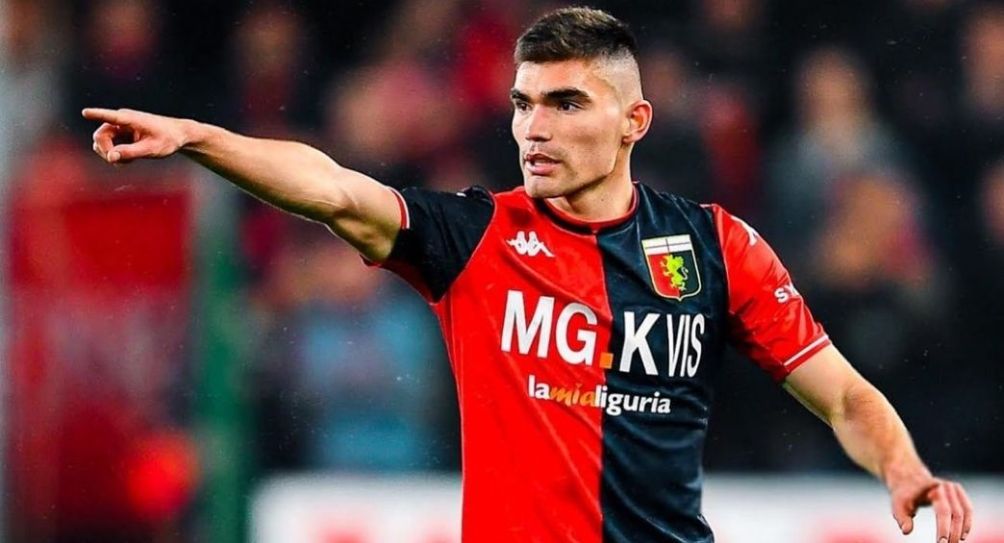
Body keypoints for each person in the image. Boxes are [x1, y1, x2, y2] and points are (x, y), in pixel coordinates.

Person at [82, 7, 973, 543]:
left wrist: (902, 466)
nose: (533, 127)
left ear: (634, 121)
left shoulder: (712, 246)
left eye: (565, 102)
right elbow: (332, 188)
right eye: (522, 102)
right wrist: (199, 139)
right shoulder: (474, 236)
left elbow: (842, 395)